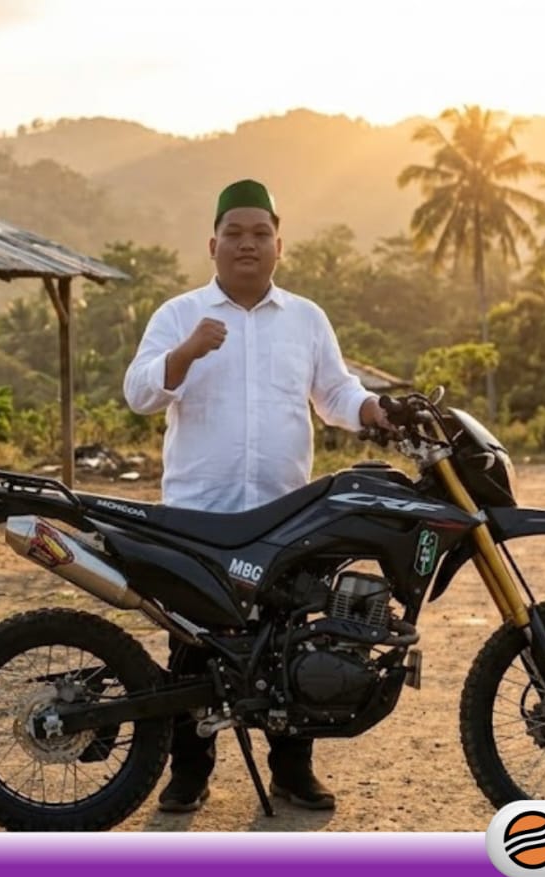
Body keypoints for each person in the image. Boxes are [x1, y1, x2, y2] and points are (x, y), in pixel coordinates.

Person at [123, 178, 392, 815]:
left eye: (260, 233)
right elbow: (139, 393)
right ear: (212, 244)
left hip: (285, 513)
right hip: (198, 515)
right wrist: (187, 352)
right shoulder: (179, 314)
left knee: (291, 639)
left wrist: (376, 410)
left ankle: (292, 772)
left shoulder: (306, 318)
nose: (248, 244)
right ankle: (189, 774)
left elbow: (335, 397)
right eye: (235, 234)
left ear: (279, 246)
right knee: (194, 643)